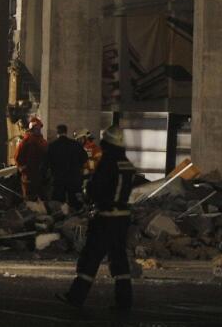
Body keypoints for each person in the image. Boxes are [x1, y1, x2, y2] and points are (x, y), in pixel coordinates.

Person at [58, 125, 137, 312]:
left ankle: (76, 297)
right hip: (123, 217)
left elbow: (96, 188)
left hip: (106, 217)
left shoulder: (108, 162)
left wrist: (87, 192)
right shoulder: (127, 164)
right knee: (119, 261)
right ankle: (124, 302)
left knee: (91, 257)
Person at [46, 124, 88, 209]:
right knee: (75, 203)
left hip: (58, 179)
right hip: (74, 179)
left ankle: (60, 219)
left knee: (58, 204)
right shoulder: (75, 145)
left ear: (57, 133)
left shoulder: (52, 146)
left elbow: (46, 162)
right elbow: (84, 158)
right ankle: (76, 219)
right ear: (66, 132)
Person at [15, 117, 48, 199]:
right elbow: (18, 157)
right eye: (37, 128)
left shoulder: (42, 141)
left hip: (38, 176)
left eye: (39, 127)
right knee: (31, 200)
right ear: (32, 129)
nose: (38, 129)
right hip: (31, 176)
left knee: (37, 200)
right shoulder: (27, 141)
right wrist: (23, 169)